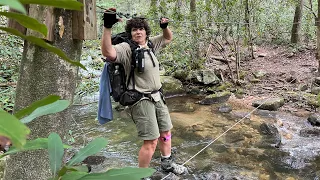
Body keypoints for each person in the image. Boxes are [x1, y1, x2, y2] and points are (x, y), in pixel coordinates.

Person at [101, 9, 187, 175]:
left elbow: (168, 38)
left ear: (146, 32)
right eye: (134, 29)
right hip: (141, 100)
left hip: (158, 97)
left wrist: (164, 27)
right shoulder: (126, 48)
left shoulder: (152, 44)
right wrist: (107, 27)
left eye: (141, 29)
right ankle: (141, 175)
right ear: (130, 33)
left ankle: (167, 163)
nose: (138, 32)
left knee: (166, 132)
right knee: (151, 141)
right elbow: (108, 52)